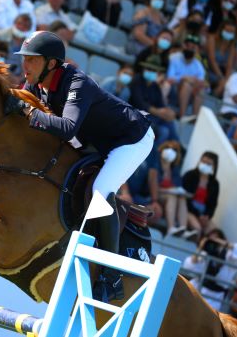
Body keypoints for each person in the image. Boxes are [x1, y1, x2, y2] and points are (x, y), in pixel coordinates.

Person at [9, 31, 155, 302]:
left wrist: (28, 112)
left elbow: (66, 128)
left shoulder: (76, 82)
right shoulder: (35, 85)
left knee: (100, 190)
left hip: (131, 138)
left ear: (51, 64)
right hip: (95, 141)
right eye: (24, 59)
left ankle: (112, 277)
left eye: (31, 59)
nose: (24, 65)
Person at [183, 229, 237, 311]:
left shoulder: (230, 256)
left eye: (216, 240)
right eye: (211, 241)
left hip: (215, 296)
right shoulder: (205, 254)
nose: (214, 244)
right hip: (197, 287)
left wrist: (223, 244)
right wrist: (200, 248)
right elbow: (189, 267)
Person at [130, 55, 179, 146]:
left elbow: (161, 105)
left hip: (152, 117)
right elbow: (139, 102)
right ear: (144, 69)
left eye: (154, 70)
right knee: (163, 130)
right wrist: (158, 112)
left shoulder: (155, 86)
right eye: (149, 69)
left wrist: (168, 113)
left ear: (158, 73)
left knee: (168, 124)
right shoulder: (137, 80)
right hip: (137, 115)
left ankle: (177, 144)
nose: (151, 71)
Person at [167, 34, 207, 118]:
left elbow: (201, 82)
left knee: (201, 90)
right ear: (183, 46)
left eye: (193, 47)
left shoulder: (199, 66)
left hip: (190, 95)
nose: (189, 49)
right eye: (187, 46)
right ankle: (182, 116)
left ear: (197, 50)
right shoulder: (173, 58)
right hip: (172, 91)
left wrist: (195, 83)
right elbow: (169, 78)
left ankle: (194, 119)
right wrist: (184, 78)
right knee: (186, 85)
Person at [182, 151, 220, 240]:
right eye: (203, 161)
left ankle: (204, 250)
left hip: (204, 214)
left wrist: (207, 216)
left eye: (208, 163)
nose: (204, 165)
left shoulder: (215, 183)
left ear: (214, 167)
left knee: (214, 232)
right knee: (197, 228)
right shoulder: (190, 175)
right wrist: (199, 215)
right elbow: (184, 198)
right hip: (188, 210)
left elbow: (213, 204)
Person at [155, 140, 188, 237]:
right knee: (172, 196)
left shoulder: (175, 170)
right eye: (167, 148)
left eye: (174, 150)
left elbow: (178, 188)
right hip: (155, 195)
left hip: (168, 199)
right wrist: (170, 191)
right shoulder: (155, 164)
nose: (170, 151)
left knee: (182, 198)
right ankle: (170, 228)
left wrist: (179, 191)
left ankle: (183, 228)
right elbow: (151, 187)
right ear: (162, 148)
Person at [206, 19, 237, 97]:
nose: (229, 33)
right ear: (221, 30)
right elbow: (212, 60)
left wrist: (226, 79)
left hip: (220, 72)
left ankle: (213, 97)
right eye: (227, 30)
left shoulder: (232, 47)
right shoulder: (212, 39)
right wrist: (221, 77)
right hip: (207, 69)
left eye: (232, 32)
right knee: (222, 81)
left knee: (226, 83)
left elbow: (229, 66)